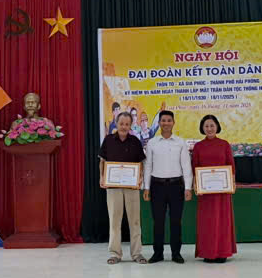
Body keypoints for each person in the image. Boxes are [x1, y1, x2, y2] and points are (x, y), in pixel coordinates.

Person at [142, 109, 192, 264]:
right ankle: (158, 253)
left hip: (177, 186)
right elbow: (148, 166)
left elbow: (186, 166)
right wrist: (146, 187)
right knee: (158, 221)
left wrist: (188, 188)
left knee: (176, 221)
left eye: (169, 120)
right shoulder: (152, 143)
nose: (166, 123)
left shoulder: (180, 142)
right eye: (163, 120)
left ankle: (176, 253)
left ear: (173, 123)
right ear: (159, 123)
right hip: (157, 186)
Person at [99, 111, 147, 265]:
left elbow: (140, 163)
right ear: (116, 123)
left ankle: (137, 253)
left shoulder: (135, 141)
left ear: (130, 125)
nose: (124, 127)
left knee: (135, 221)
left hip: (131, 187)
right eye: (121, 124)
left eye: (127, 124)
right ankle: (115, 254)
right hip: (113, 186)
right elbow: (102, 161)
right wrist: (102, 177)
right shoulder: (108, 140)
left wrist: (140, 177)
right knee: (114, 221)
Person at [192, 115, 237, 264]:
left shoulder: (224, 144)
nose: (209, 129)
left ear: (217, 127)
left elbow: (231, 165)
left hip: (222, 191)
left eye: (212, 125)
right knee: (207, 222)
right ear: (202, 128)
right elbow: (195, 167)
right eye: (206, 126)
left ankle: (223, 252)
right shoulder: (198, 146)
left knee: (223, 221)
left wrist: (232, 182)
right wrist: (195, 184)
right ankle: (207, 252)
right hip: (205, 192)